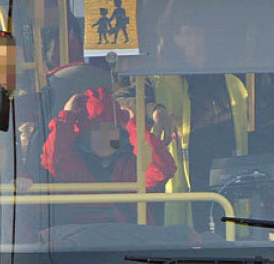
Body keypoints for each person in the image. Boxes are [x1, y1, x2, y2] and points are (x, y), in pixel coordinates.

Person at [39, 87, 177, 224]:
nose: (105, 135)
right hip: (86, 241)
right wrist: (66, 117)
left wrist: (135, 127)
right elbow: (53, 159)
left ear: (120, 130)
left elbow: (162, 168)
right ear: (82, 134)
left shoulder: (134, 163)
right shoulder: (74, 164)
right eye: (96, 129)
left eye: (110, 128)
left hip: (132, 241)